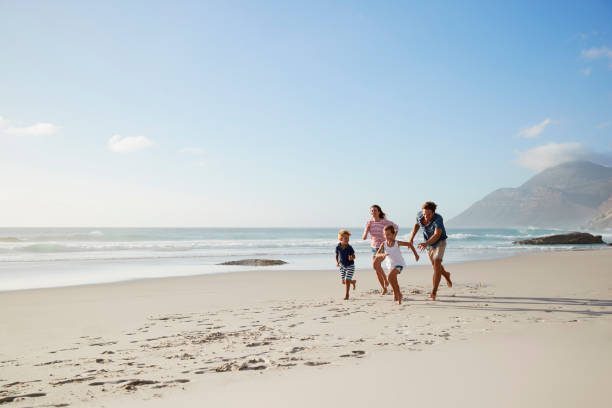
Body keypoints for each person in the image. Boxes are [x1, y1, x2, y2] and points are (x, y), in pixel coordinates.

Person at [408, 201, 452, 301]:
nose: (425, 217)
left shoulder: (438, 218)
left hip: (440, 242)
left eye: (428, 215)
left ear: (433, 213)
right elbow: (417, 225)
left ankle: (434, 292)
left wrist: (425, 243)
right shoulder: (420, 216)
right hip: (428, 244)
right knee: (436, 267)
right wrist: (411, 238)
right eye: (424, 214)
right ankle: (446, 274)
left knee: (436, 265)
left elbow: (437, 235)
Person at [375, 225, 419, 304]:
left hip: (399, 264)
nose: (386, 236)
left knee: (389, 277)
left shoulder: (397, 243)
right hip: (391, 266)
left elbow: (410, 244)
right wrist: (382, 255)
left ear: (393, 234)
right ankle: (398, 294)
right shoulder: (383, 244)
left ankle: (397, 294)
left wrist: (416, 255)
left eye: (388, 234)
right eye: (385, 234)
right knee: (394, 281)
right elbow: (377, 254)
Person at [362, 205, 398, 294]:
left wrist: (392, 238)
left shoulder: (384, 222)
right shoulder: (369, 223)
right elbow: (364, 237)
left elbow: (396, 227)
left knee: (375, 265)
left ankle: (386, 280)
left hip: (383, 247)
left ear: (379, 212)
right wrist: (367, 229)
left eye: (375, 210)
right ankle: (384, 288)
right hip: (373, 247)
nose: (373, 212)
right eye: (372, 211)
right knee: (377, 269)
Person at [335, 229, 356, 300]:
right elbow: (336, 255)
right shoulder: (338, 247)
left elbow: (354, 256)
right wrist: (337, 262)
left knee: (347, 280)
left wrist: (351, 258)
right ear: (341, 238)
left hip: (350, 265)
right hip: (342, 266)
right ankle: (352, 282)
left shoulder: (349, 247)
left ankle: (347, 295)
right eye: (346, 238)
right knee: (343, 282)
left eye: (348, 238)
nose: (348, 240)